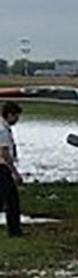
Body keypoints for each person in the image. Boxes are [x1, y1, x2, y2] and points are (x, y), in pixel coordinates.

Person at [0, 101, 22, 236]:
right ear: (10, 115)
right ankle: (14, 231)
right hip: (2, 168)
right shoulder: (3, 130)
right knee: (12, 200)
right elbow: (4, 152)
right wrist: (14, 172)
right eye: (16, 116)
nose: (17, 120)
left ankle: (14, 230)